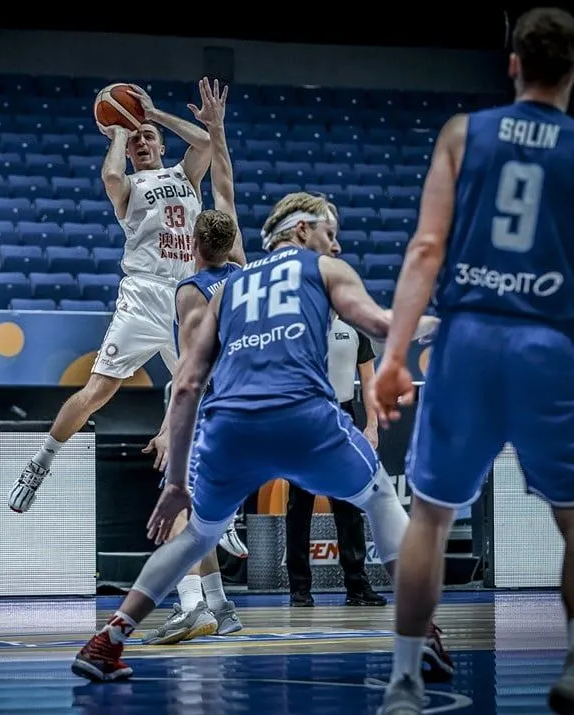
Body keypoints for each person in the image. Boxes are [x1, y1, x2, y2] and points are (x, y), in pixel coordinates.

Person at [368, 8, 574, 714]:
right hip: (548, 346)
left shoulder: (462, 134)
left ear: (512, 64)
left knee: (430, 518)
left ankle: (405, 681)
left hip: (466, 341)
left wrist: (394, 354)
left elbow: (425, 250)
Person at [70, 191, 448, 683]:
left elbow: (186, 385)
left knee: (198, 535)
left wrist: (177, 483)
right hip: (302, 416)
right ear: (301, 230)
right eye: (329, 233)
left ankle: (108, 641)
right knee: (379, 499)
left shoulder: (228, 288)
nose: (335, 245)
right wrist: (442, 325)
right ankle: (421, 634)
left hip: (231, 428)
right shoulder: (325, 269)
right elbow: (380, 325)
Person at [9, 86, 213, 513]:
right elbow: (111, 177)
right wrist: (121, 130)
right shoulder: (129, 185)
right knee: (99, 390)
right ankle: (40, 462)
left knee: (206, 395)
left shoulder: (185, 176)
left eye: (148, 138)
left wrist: (153, 115)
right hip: (144, 294)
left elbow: (206, 141)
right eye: (135, 141)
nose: (142, 144)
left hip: (186, 296)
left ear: (161, 145)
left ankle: (212, 505)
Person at [139, 78, 248, 646]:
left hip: (209, 399)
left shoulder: (191, 290)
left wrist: (167, 426)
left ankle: (192, 605)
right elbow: (224, 183)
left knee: (176, 500)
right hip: (249, 393)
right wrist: (217, 130)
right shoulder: (246, 271)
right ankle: (221, 606)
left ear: (194, 246)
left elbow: (187, 373)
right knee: (200, 503)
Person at [286, 309, 386, 608]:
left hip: (344, 416)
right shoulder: (295, 324)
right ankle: (299, 589)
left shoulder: (355, 325)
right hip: (303, 416)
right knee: (299, 506)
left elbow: (368, 380)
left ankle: (357, 586)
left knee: (349, 505)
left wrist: (372, 425)